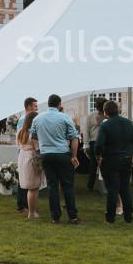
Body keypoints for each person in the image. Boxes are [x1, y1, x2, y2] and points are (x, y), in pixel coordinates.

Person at [30, 94, 81, 224]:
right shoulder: (65, 117)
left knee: (52, 186)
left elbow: (33, 137)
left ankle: (55, 217)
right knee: (67, 185)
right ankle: (72, 216)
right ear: (59, 104)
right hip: (62, 154)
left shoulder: (38, 118)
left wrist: (39, 149)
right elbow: (74, 138)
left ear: (48, 104)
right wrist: (74, 156)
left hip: (46, 154)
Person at [94, 100, 133, 224]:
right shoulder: (128, 123)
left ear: (105, 112)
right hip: (126, 159)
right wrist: (130, 154)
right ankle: (128, 216)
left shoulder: (106, 125)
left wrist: (98, 156)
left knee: (113, 189)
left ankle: (110, 217)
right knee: (125, 189)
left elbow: (98, 145)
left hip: (111, 160)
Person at [16, 111, 44, 220]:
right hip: (32, 157)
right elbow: (37, 148)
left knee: (28, 185)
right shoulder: (34, 134)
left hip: (22, 157)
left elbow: (18, 145)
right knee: (33, 187)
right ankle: (32, 213)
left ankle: (30, 209)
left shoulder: (20, 132)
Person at [17, 97, 40, 213]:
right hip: (28, 152)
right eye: (35, 106)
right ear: (29, 106)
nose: (37, 108)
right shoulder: (24, 121)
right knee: (28, 181)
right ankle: (23, 205)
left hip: (23, 152)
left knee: (25, 179)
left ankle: (26, 204)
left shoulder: (22, 130)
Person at [85, 97, 106, 194]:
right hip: (94, 142)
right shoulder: (91, 116)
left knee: (105, 164)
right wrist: (86, 144)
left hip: (106, 142)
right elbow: (86, 131)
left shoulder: (108, 116)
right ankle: (90, 186)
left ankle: (105, 185)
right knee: (93, 165)